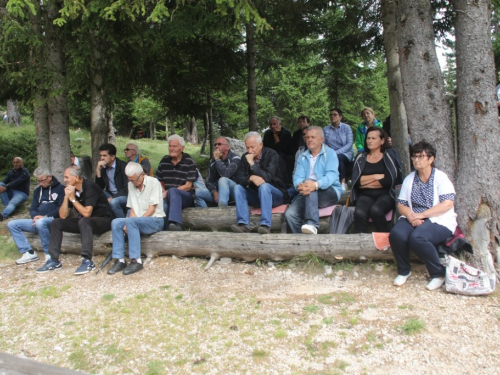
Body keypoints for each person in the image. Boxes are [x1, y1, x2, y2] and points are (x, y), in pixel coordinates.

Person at [389, 141, 457, 291]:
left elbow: (447, 204)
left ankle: (438, 274)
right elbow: (401, 204)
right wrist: (411, 216)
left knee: (417, 237)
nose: (416, 160)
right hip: (413, 216)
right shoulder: (410, 179)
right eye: (414, 156)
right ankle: (404, 270)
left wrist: (423, 215)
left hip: (439, 219)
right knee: (396, 233)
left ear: (431, 159)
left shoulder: (440, 177)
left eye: (421, 156)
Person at [36, 166, 114, 275]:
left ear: (76, 177)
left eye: (67, 177)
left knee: (84, 220)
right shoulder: (72, 190)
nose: (64, 180)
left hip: (104, 220)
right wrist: (66, 197)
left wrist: (73, 199)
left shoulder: (90, 187)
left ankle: (87, 260)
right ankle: (54, 260)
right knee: (57, 222)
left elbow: (87, 213)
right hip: (86, 222)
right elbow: (63, 215)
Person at [108, 162, 165, 276]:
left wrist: (132, 222)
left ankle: (136, 260)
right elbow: (133, 208)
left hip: (155, 220)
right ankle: (120, 260)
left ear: (142, 174)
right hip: (137, 220)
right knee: (116, 222)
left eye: (134, 180)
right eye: (130, 180)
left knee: (131, 222)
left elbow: (152, 209)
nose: (133, 183)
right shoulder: (131, 185)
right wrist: (128, 222)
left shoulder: (154, 182)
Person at [284, 126, 342, 234]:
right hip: (307, 192)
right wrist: (299, 186)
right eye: (307, 137)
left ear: (321, 139)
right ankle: (302, 243)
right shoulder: (302, 156)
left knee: (311, 187)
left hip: (329, 191)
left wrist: (315, 184)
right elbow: (297, 177)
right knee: (290, 214)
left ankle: (312, 223)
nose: (309, 139)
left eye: (313, 137)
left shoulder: (330, 153)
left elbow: (331, 175)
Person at [232, 131, 289, 234]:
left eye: (252, 147)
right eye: (247, 147)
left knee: (264, 186)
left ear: (261, 144)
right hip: (258, 195)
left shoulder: (272, 154)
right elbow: (239, 178)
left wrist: (252, 164)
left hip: (276, 194)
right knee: (238, 188)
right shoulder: (245, 157)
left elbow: (267, 177)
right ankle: (243, 224)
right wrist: (250, 178)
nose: (250, 151)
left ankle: (265, 225)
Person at [7, 167, 65, 264]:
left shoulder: (61, 189)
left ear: (49, 177)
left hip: (53, 220)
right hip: (37, 221)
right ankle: (28, 252)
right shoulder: (37, 191)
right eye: (38, 181)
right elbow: (33, 208)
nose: (40, 183)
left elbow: (60, 208)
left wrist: (45, 217)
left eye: (42, 180)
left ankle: (48, 253)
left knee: (40, 222)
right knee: (12, 224)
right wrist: (34, 217)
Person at [351, 127, 402, 233]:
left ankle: (385, 239)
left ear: (382, 141)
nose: (370, 141)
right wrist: (376, 177)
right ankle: (360, 243)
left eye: (373, 138)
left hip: (387, 194)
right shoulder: (361, 157)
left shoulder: (389, 156)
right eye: (368, 138)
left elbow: (389, 181)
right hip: (365, 195)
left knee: (376, 210)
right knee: (359, 213)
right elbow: (357, 182)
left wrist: (365, 182)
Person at [155, 134, 197, 231]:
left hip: (185, 197)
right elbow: (157, 180)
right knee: (164, 206)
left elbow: (188, 186)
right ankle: (164, 232)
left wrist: (169, 192)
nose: (171, 149)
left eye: (174, 146)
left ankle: (176, 224)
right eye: (170, 146)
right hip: (168, 196)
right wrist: (163, 192)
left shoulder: (189, 161)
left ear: (182, 148)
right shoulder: (164, 161)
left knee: (173, 191)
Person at [194, 137, 241, 208]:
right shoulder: (213, 161)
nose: (216, 146)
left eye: (219, 144)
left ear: (227, 147)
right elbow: (209, 181)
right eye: (215, 144)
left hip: (233, 193)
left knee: (223, 180)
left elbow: (225, 175)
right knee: (195, 192)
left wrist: (217, 159)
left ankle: (222, 208)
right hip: (217, 193)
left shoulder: (235, 159)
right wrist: (215, 193)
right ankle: (205, 215)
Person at [95, 143, 129, 218]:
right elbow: (99, 188)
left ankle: (123, 223)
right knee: (96, 194)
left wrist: (113, 198)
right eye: (100, 155)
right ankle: (104, 221)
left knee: (113, 202)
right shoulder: (103, 167)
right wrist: (98, 171)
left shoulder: (123, 166)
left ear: (112, 157)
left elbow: (127, 189)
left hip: (125, 195)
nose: (102, 158)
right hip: (110, 193)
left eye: (104, 155)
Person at [324, 108, 354, 191]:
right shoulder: (326, 129)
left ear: (340, 117)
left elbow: (349, 144)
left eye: (335, 115)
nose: (332, 116)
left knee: (338, 157)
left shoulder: (346, 128)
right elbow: (323, 143)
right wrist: (331, 152)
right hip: (330, 153)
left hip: (346, 153)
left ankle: (343, 181)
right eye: (331, 115)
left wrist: (335, 152)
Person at [263, 116, 294, 185]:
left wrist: (275, 135)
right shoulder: (267, 134)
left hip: (282, 155)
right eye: (271, 124)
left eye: (274, 124)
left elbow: (283, 149)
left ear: (280, 124)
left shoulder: (286, 133)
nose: (272, 126)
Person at [0, 157, 30, 221]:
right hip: (11, 191)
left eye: (17, 162)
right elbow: (4, 181)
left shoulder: (25, 172)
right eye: (14, 162)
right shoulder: (11, 172)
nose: (15, 164)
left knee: (12, 203)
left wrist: (6, 188)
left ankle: (3, 215)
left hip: (21, 193)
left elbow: (17, 182)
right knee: (0, 184)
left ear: (22, 163)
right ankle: (9, 208)